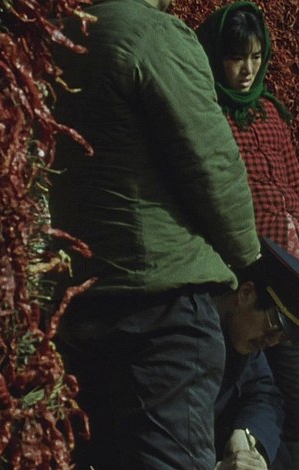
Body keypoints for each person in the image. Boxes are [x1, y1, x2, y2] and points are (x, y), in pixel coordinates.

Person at [49, 0, 261, 468]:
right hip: (160, 312)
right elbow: (214, 168)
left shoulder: (61, 37)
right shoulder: (152, 35)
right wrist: (251, 260)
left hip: (85, 301)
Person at [196, 4, 299, 468]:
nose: (247, 69)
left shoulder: (271, 114)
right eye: (236, 57)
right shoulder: (208, 116)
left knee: (294, 408)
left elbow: (297, 188)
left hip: (294, 283)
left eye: (256, 57)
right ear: (216, 57)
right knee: (250, 391)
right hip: (252, 287)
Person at [213, 237, 299, 470]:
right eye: (272, 327)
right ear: (245, 293)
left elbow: (264, 394)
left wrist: (247, 435)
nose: (270, 342)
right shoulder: (189, 333)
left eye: (281, 338)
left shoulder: (243, 338)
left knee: (276, 456)